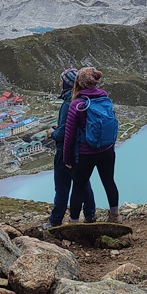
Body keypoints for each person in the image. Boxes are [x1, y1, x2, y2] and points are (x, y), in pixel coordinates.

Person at [63, 66, 120, 223]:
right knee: (109, 182)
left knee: (78, 188)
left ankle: (74, 223)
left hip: (85, 154)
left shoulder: (77, 104)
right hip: (107, 150)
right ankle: (115, 216)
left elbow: (69, 135)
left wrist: (66, 158)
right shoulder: (105, 99)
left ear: (79, 82)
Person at [43, 68, 95, 229]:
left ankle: (55, 221)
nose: (59, 83)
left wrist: (52, 133)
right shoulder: (85, 100)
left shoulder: (68, 103)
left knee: (62, 188)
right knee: (83, 184)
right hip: (82, 151)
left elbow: (64, 134)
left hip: (65, 153)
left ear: (67, 83)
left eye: (61, 80)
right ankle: (90, 215)